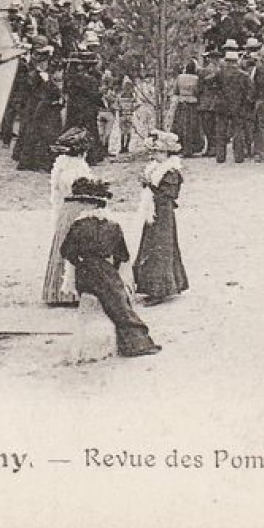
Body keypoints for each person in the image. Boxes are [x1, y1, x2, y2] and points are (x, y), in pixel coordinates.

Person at [58, 178, 161, 357]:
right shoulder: (113, 226)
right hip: (106, 270)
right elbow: (123, 256)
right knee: (118, 299)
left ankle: (134, 339)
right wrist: (108, 265)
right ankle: (136, 340)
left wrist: (82, 262)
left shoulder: (79, 226)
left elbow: (66, 251)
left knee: (114, 299)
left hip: (85, 274)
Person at [134, 130, 189, 303]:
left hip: (163, 213)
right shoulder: (157, 168)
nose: (155, 155)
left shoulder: (171, 171)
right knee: (152, 246)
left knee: (161, 248)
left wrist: (149, 185)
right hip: (154, 211)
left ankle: (160, 289)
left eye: (159, 152)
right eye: (154, 152)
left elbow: (169, 195)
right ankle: (156, 287)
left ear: (168, 154)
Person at [42, 128, 95, 306]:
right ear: (83, 151)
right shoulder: (77, 168)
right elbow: (80, 190)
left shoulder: (61, 164)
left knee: (62, 245)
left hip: (65, 208)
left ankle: (57, 289)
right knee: (76, 247)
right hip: (76, 208)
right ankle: (70, 292)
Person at [212, 44, 253, 163]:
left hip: (222, 106)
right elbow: (250, 92)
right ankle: (239, 157)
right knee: (238, 132)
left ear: (226, 61)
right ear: (236, 61)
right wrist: (245, 103)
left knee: (220, 132)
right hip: (238, 106)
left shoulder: (219, 74)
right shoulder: (244, 75)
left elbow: (208, 82)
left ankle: (220, 157)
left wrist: (217, 94)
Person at [169, 60, 206, 158]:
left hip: (182, 103)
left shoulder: (180, 77)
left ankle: (178, 147)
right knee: (193, 127)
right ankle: (192, 147)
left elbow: (175, 91)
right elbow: (199, 91)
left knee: (180, 126)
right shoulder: (196, 79)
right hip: (193, 104)